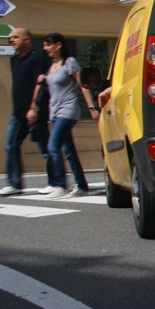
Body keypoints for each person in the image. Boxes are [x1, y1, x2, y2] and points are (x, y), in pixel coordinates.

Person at [29, 33, 99, 198]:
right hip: (54, 111)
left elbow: (83, 85)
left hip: (68, 110)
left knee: (53, 146)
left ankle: (60, 185)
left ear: (58, 45)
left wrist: (91, 107)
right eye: (45, 46)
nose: (46, 48)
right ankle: (81, 186)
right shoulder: (52, 66)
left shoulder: (70, 62)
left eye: (48, 45)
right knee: (68, 150)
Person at [0, 27, 50, 196]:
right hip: (17, 113)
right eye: (10, 38)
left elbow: (39, 85)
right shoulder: (14, 60)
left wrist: (34, 107)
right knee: (10, 145)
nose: (11, 40)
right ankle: (14, 184)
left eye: (15, 37)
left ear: (26, 40)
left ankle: (56, 182)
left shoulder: (36, 59)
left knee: (46, 149)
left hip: (35, 112)